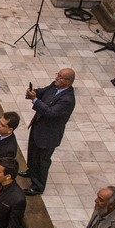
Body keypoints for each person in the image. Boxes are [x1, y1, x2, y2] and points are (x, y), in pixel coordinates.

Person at [21, 68, 77, 196]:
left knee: (42, 160)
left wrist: (35, 100)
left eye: (61, 77)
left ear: (68, 82)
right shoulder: (55, 85)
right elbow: (44, 91)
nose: (57, 78)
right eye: (58, 74)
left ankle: (37, 186)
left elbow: (50, 113)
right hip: (38, 126)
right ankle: (31, 170)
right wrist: (34, 92)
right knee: (33, 152)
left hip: (48, 134)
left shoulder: (67, 100)